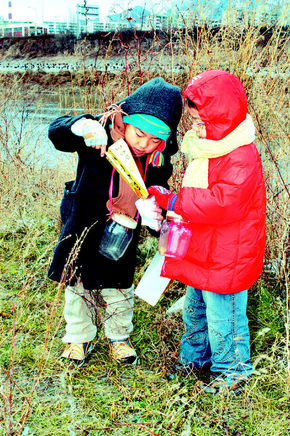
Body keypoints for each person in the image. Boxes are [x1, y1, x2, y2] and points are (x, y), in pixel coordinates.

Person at [48, 77, 183, 366]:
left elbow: (157, 188)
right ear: (126, 121)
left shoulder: (158, 158)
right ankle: (77, 336)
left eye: (155, 140)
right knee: (77, 282)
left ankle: (119, 336)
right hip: (84, 222)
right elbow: (57, 132)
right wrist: (83, 127)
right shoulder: (100, 131)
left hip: (123, 229)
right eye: (139, 134)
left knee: (120, 284)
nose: (144, 144)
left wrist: (153, 210)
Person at [148, 70, 266, 394]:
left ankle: (233, 374)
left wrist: (174, 199)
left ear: (220, 113)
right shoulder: (210, 147)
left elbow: (223, 203)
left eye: (202, 116)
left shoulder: (240, 154)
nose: (196, 123)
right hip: (204, 249)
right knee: (195, 312)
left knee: (224, 320)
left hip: (228, 255)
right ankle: (193, 360)